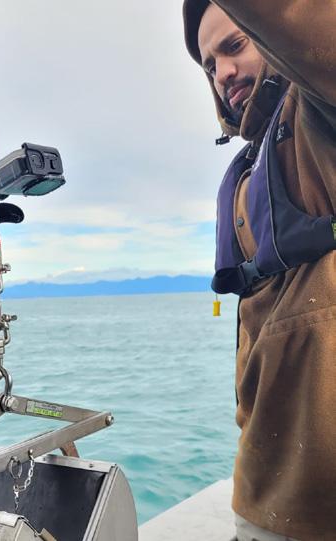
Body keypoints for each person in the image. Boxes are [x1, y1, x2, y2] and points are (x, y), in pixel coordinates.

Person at [182, 1, 336, 540]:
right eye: (209, 65)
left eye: (235, 45)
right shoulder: (253, 162)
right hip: (264, 485)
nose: (222, 73)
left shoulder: (321, 113)